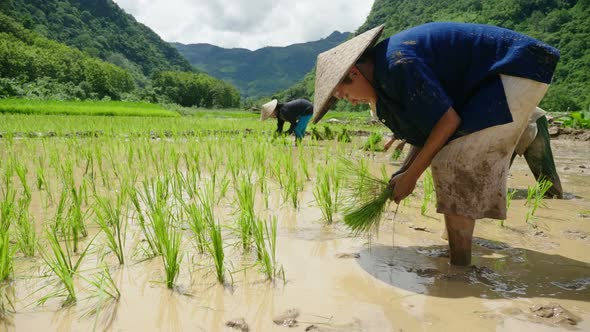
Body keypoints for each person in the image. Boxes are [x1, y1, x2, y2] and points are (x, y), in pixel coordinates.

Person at [312, 22, 562, 266]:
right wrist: (404, 170)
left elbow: (446, 121)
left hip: (513, 66)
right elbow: (428, 129)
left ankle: (460, 267)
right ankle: (457, 249)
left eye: (345, 95)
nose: (351, 102)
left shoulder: (397, 64)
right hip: (493, 77)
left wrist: (411, 176)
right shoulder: (387, 71)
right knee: (450, 158)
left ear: (354, 73)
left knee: (454, 161)